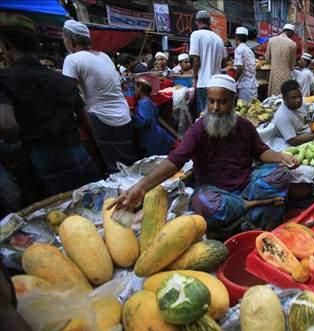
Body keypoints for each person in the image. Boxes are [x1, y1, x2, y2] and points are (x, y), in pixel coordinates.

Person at [109, 75, 298, 234]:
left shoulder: (245, 126)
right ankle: (255, 207)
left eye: (222, 102)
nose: (215, 108)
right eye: (211, 101)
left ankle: (242, 213)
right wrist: (141, 187)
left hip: (246, 186)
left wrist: (282, 157)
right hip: (214, 194)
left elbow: (261, 151)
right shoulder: (198, 130)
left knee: (279, 174)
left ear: (234, 101)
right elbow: (175, 161)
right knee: (203, 203)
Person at [0, 14, 100, 196]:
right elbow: (87, 124)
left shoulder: (5, 79)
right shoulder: (63, 80)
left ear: (7, 46)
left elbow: (8, 128)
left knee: (55, 214)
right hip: (79, 158)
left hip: (42, 164)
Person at [62, 19, 137, 173]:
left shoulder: (72, 59)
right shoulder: (104, 56)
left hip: (102, 117)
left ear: (70, 41)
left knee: (116, 169)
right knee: (128, 164)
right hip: (124, 115)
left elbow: (68, 92)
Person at [189, 10, 227, 115]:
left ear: (197, 22)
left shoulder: (196, 35)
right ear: (209, 22)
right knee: (215, 114)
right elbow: (224, 63)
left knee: (203, 116)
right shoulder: (219, 38)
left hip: (203, 83)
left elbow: (196, 61)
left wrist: (194, 77)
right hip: (217, 83)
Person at [273, 80, 314, 146]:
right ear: (284, 99)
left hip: (310, 135)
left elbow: (307, 122)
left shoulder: (302, 104)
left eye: (299, 96)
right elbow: (293, 141)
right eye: (293, 98)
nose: (298, 100)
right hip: (300, 143)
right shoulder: (282, 116)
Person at [132, 77, 175, 158]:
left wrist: (131, 116)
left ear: (140, 87)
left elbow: (144, 121)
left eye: (135, 88)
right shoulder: (151, 102)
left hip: (152, 138)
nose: (134, 91)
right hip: (159, 135)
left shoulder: (143, 103)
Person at [266, 24, 297, 96]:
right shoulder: (292, 44)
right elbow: (292, 64)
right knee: (284, 95)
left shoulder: (271, 40)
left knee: (273, 97)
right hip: (286, 75)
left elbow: (267, 58)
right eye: (292, 34)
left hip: (274, 74)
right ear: (290, 32)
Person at [234, 27, 258, 103]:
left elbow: (240, 67)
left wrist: (234, 81)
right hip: (252, 84)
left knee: (244, 109)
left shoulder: (239, 50)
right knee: (252, 109)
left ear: (236, 37)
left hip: (245, 86)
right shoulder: (249, 50)